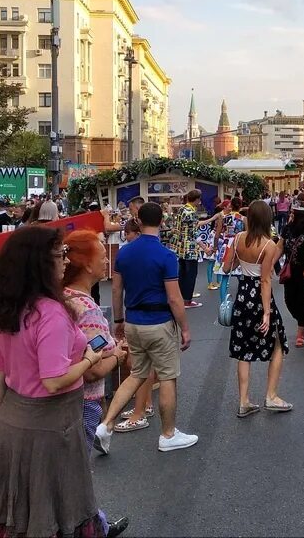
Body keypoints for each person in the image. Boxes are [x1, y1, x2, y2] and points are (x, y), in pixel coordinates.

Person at [0, 226, 128, 538]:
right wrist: (89, 358)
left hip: (12, 420)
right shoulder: (51, 313)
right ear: (41, 264)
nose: (65, 261)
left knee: (18, 506)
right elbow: (54, 380)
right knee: (58, 502)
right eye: (61, 256)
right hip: (53, 422)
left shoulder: (7, 307)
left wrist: (3, 420)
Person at [96, 202, 197, 453]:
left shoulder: (124, 253)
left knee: (137, 374)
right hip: (159, 322)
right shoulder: (165, 255)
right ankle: (168, 434)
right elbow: (174, 298)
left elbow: (117, 289)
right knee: (167, 377)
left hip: (132, 321)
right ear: (162, 221)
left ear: (138, 221)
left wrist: (118, 320)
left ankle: (106, 424)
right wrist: (185, 328)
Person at [223, 200, 292, 415]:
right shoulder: (268, 245)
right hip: (259, 297)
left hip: (242, 295)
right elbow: (265, 280)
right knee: (278, 342)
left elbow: (226, 267)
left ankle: (244, 400)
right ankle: (271, 395)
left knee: (243, 350)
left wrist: (239, 260)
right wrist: (267, 312)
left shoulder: (238, 239)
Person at [62, 230, 128, 453]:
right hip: (85, 401)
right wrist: (117, 356)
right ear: (87, 265)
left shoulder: (63, 296)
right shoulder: (88, 311)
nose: (108, 260)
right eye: (102, 256)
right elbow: (93, 369)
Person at [277, 196, 304, 348]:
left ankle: (301, 329)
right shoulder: (287, 228)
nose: (291, 214)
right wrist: (270, 263)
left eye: (294, 212)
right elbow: (280, 247)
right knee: (289, 300)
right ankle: (301, 319)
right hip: (290, 270)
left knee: (303, 300)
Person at [175, 190, 204, 309]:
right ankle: (187, 300)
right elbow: (194, 233)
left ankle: (181, 297)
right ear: (196, 200)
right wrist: (205, 247)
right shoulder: (192, 212)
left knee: (182, 273)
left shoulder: (182, 209)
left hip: (181, 246)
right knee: (191, 274)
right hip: (190, 249)